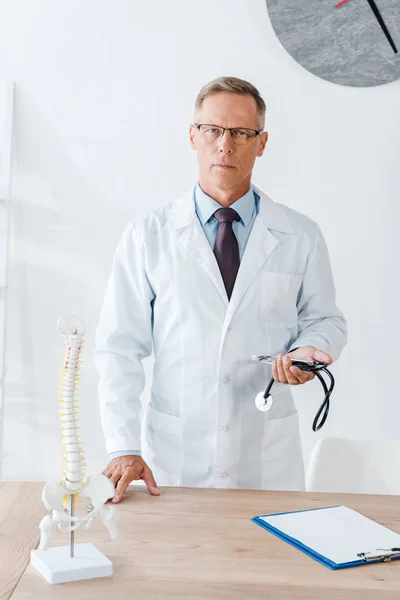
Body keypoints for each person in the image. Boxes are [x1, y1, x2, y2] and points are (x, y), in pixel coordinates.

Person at [94, 76, 347, 504]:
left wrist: (308, 353)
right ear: (193, 136)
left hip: (266, 455)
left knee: (270, 565)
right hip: (176, 455)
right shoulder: (148, 234)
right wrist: (123, 446)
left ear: (261, 142)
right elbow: (119, 347)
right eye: (212, 130)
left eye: (240, 132)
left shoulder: (300, 234)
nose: (224, 145)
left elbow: (325, 320)